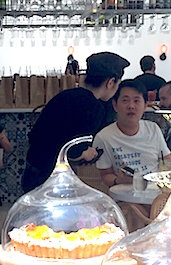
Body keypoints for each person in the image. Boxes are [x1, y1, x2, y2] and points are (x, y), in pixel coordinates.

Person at [23, 52, 130, 192]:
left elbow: (34, 135)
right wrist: (86, 153)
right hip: (52, 179)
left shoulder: (64, 95)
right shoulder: (94, 108)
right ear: (110, 82)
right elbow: (73, 151)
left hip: (32, 172)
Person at [93, 79, 171, 189]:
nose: (131, 106)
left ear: (145, 106)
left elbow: (168, 162)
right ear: (115, 105)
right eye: (125, 100)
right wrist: (119, 180)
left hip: (156, 192)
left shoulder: (153, 129)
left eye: (136, 101)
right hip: (124, 197)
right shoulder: (103, 137)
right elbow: (105, 175)